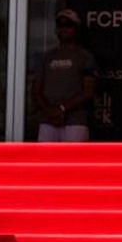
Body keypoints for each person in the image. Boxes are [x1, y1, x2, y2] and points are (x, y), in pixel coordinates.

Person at [33, 8, 97, 142]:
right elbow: (36, 89)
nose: (63, 29)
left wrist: (61, 109)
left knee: (73, 162)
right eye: (60, 25)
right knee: (44, 161)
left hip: (75, 121)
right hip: (48, 121)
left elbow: (88, 91)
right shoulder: (46, 57)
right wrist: (50, 112)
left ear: (76, 29)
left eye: (68, 25)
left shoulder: (85, 57)